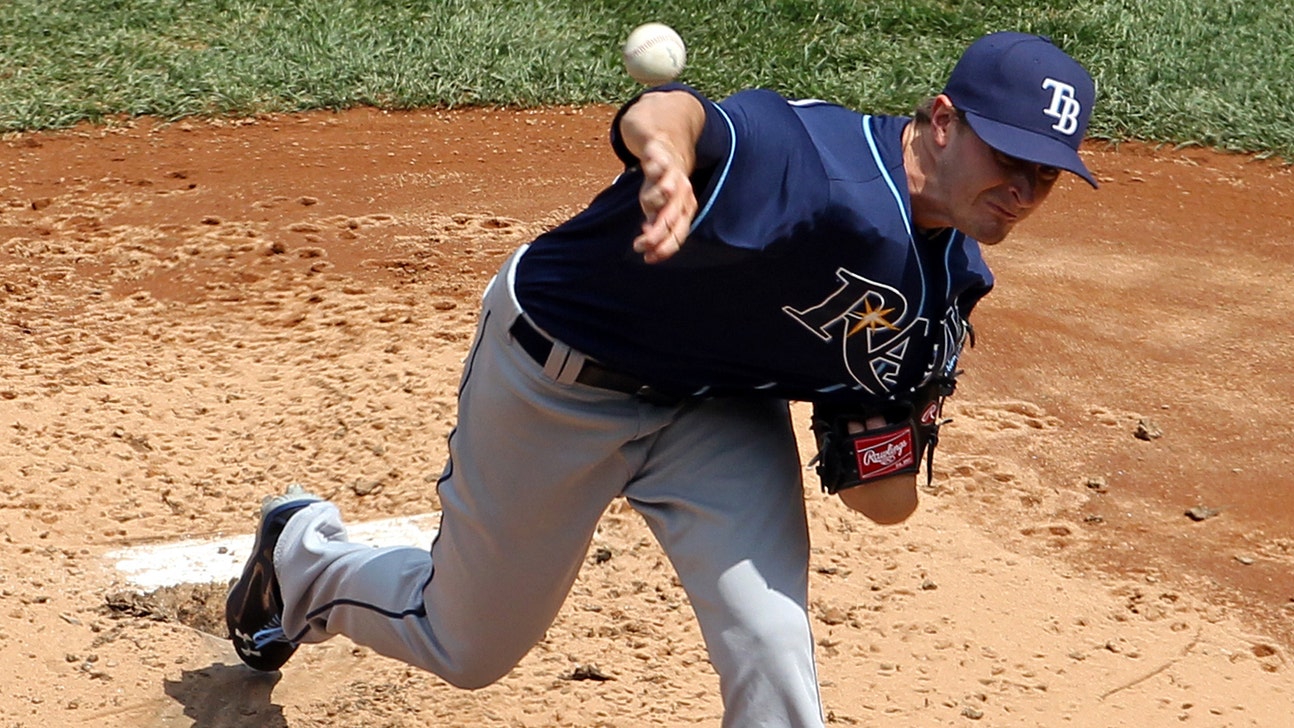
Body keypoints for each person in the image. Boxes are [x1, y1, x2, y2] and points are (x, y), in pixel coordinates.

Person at [226, 31, 1097, 727]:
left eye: (1046, 175)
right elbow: (670, 110)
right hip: (559, 380)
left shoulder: (947, 284)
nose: (1022, 190)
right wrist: (668, 166)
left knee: (772, 644)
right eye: (1007, 156)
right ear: (943, 119)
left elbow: (884, 504)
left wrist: (886, 443)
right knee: (467, 647)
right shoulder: (806, 161)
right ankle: (300, 557)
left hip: (715, 410)